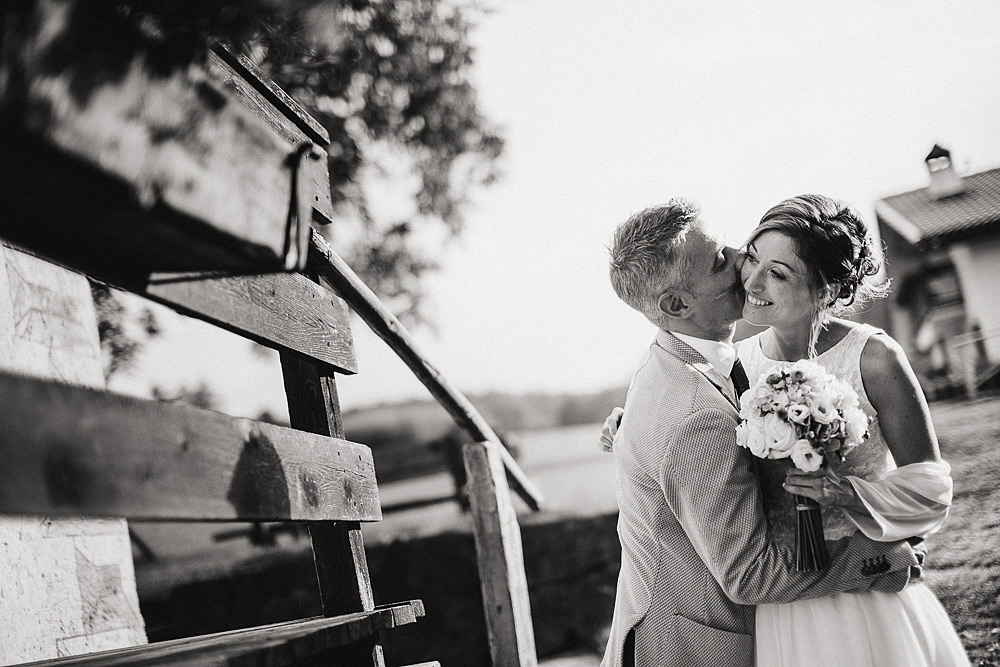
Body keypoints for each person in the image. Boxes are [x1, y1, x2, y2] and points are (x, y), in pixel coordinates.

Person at [601, 199, 921, 667]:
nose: (739, 258)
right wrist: (879, 558)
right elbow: (750, 575)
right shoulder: (692, 413)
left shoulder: (680, 367)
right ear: (676, 304)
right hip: (691, 648)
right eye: (716, 261)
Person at [736, 194, 968, 666]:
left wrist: (846, 495)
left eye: (778, 273)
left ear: (826, 290)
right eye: (752, 259)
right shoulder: (737, 364)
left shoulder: (875, 359)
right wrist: (630, 423)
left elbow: (931, 486)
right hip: (785, 598)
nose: (753, 281)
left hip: (869, 590)